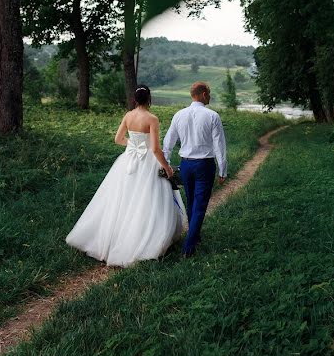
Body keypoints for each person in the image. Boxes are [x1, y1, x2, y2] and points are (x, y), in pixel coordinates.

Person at [65, 85, 188, 267]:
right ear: (149, 99)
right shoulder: (152, 119)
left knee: (121, 200)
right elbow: (154, 148)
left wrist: (132, 145)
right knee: (146, 201)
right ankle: (143, 239)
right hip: (146, 163)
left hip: (128, 161)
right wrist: (167, 167)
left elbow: (118, 139)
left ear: (134, 100)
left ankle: (111, 239)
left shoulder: (128, 116)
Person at [162, 81, 228, 258]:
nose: (210, 97)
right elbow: (219, 146)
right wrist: (223, 171)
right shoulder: (213, 116)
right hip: (204, 165)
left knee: (192, 201)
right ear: (204, 94)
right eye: (210, 93)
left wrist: (166, 162)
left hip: (185, 165)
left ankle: (195, 236)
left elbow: (168, 141)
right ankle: (188, 247)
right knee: (199, 205)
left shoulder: (179, 115)